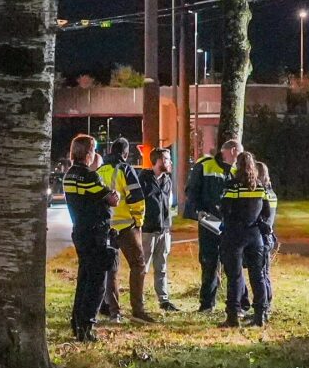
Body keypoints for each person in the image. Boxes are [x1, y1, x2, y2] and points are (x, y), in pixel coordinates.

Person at [61, 133, 117, 341]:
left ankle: (77, 322)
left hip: (80, 232)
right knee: (96, 282)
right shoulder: (90, 176)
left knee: (84, 278)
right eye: (94, 150)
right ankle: (86, 326)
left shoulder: (70, 175)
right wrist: (113, 194)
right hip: (95, 234)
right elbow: (110, 199)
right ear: (88, 153)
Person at [218, 150, 278, 326]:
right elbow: (266, 212)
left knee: (235, 276)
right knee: (257, 275)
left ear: (238, 166)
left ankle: (233, 316)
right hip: (255, 236)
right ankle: (260, 316)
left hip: (235, 235)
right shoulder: (259, 187)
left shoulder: (232, 186)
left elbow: (225, 209)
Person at [184, 137, 239, 312]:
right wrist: (199, 214)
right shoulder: (205, 164)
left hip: (227, 224)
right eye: (238, 153)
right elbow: (192, 191)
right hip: (209, 222)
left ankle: (235, 304)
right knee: (209, 262)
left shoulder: (234, 170)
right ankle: (207, 304)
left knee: (231, 263)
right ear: (232, 151)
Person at [101, 137, 142, 321]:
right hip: (126, 226)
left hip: (107, 227)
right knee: (138, 265)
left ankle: (114, 312)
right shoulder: (125, 169)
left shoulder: (100, 170)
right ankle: (138, 310)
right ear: (125, 153)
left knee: (112, 269)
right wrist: (139, 220)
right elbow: (136, 197)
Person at [135, 144, 179, 311]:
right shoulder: (143, 180)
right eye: (167, 159)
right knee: (143, 267)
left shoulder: (167, 180)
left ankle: (164, 300)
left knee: (161, 267)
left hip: (164, 230)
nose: (170, 163)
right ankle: (138, 302)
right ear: (158, 161)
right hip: (148, 230)